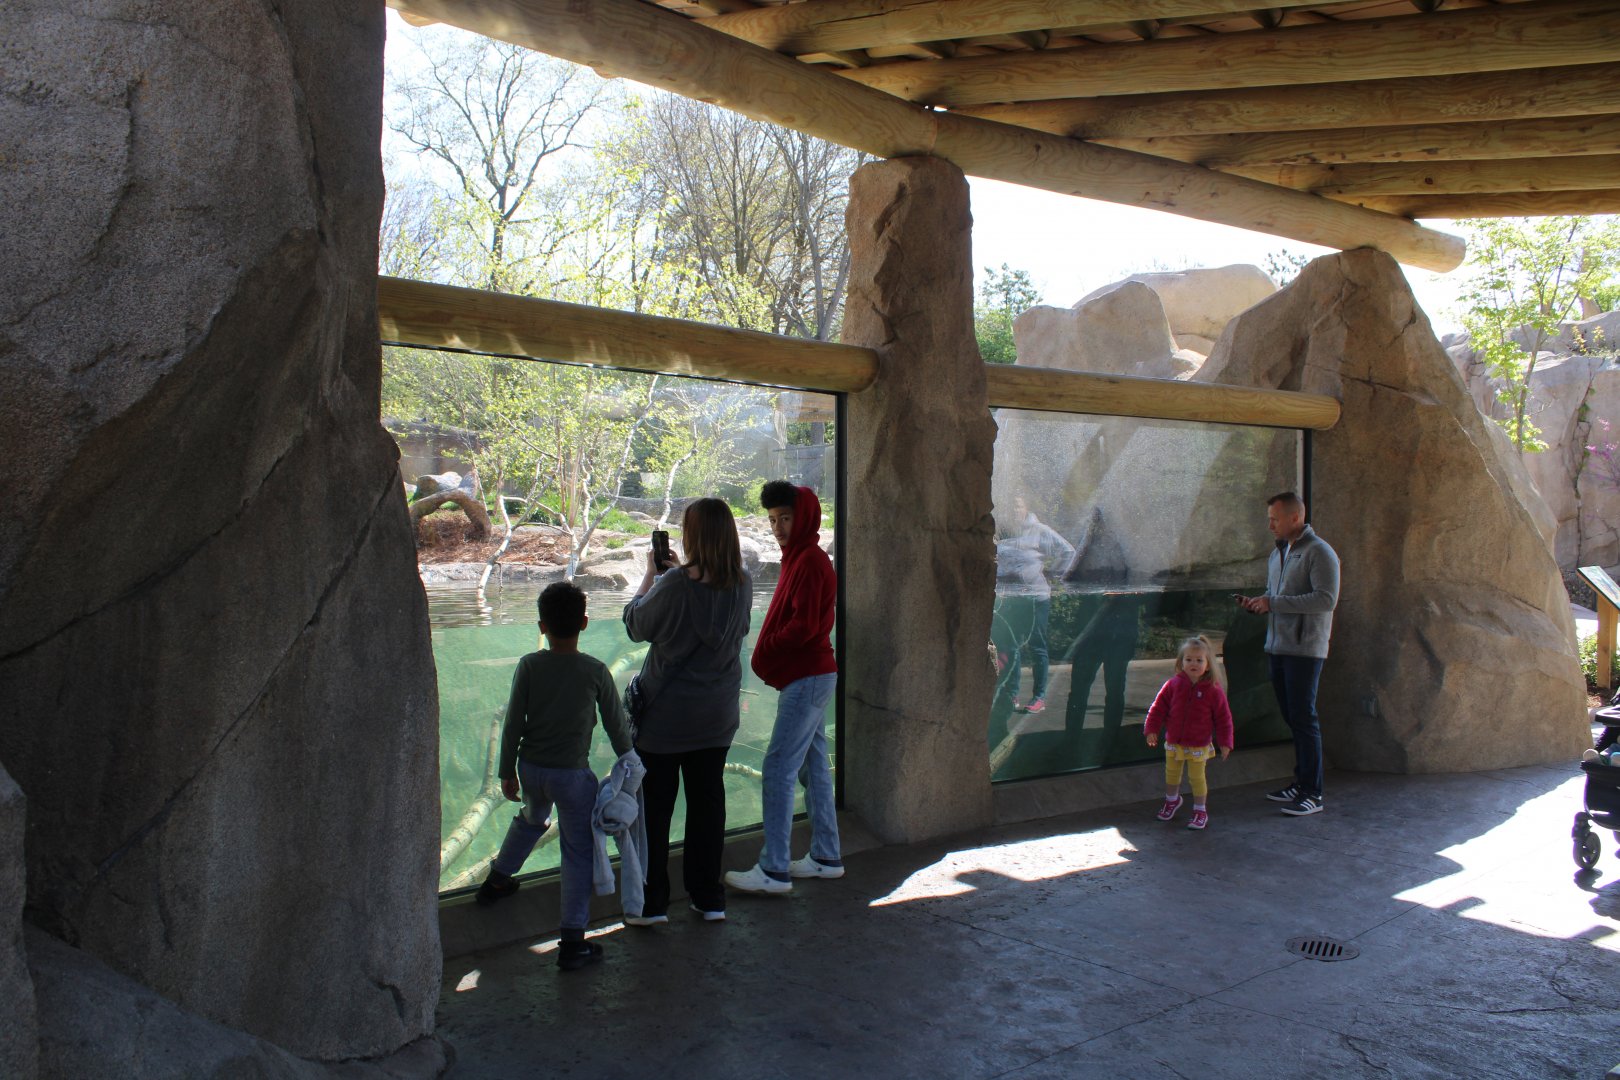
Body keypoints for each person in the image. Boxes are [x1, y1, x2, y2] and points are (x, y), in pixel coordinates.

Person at [478, 581, 633, 972]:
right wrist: (631, 763)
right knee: (577, 852)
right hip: (573, 777)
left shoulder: (530, 664)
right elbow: (617, 727)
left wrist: (505, 770)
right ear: (585, 622)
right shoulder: (595, 670)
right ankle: (573, 941)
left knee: (532, 818)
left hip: (532, 770)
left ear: (541, 626)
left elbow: (514, 719)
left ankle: (498, 878)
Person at [622, 497, 752, 923]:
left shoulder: (675, 583)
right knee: (707, 804)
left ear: (691, 535)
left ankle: (653, 903)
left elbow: (636, 625)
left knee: (655, 811)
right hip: (717, 716)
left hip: (666, 720)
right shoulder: (744, 583)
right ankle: (708, 896)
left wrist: (650, 576)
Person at [725, 481, 841, 896]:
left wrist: (766, 646)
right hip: (813, 675)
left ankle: (774, 868)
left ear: (804, 516)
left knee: (777, 768)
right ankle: (826, 855)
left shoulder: (809, 561)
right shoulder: (800, 557)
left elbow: (806, 626)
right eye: (773, 519)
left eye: (785, 518)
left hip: (807, 676)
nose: (778, 527)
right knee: (813, 769)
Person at [1236, 491, 1340, 818]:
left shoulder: (1320, 553)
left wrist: (1274, 603)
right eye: (1269, 519)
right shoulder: (1277, 554)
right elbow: (1275, 595)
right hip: (1277, 647)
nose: (1270, 525)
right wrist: (1259, 603)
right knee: (1292, 718)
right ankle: (1300, 782)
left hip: (1305, 650)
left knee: (1304, 718)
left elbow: (1325, 600)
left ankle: (1313, 792)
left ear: (1295, 517)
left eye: (1275, 519)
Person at [1144, 635, 1234, 831]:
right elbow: (1158, 708)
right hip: (1175, 741)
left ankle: (1200, 809)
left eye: (1199, 660)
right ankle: (1171, 800)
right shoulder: (1173, 685)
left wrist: (1226, 742)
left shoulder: (1213, 690)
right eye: (1189, 659)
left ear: (1208, 665)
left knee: (1197, 777)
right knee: (1172, 773)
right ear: (1181, 662)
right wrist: (1151, 729)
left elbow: (1223, 718)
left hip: (1198, 744)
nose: (1194, 663)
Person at [1004, 495, 1076, 714]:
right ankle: (1012, 695)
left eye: (1017, 506)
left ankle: (1039, 697)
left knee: (1036, 646)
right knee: (1011, 647)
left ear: (1026, 508)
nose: (1014, 511)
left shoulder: (1039, 530)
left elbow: (1068, 551)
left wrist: (1055, 575)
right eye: (1011, 507)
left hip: (1036, 598)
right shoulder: (1003, 532)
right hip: (1012, 599)